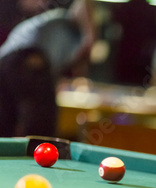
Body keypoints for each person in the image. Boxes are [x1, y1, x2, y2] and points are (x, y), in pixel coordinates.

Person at [0, 0, 95, 137]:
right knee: (42, 120)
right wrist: (90, 35)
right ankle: (35, 151)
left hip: (4, 62)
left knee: (8, 117)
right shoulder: (75, 33)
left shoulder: (58, 23)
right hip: (27, 56)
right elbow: (83, 4)